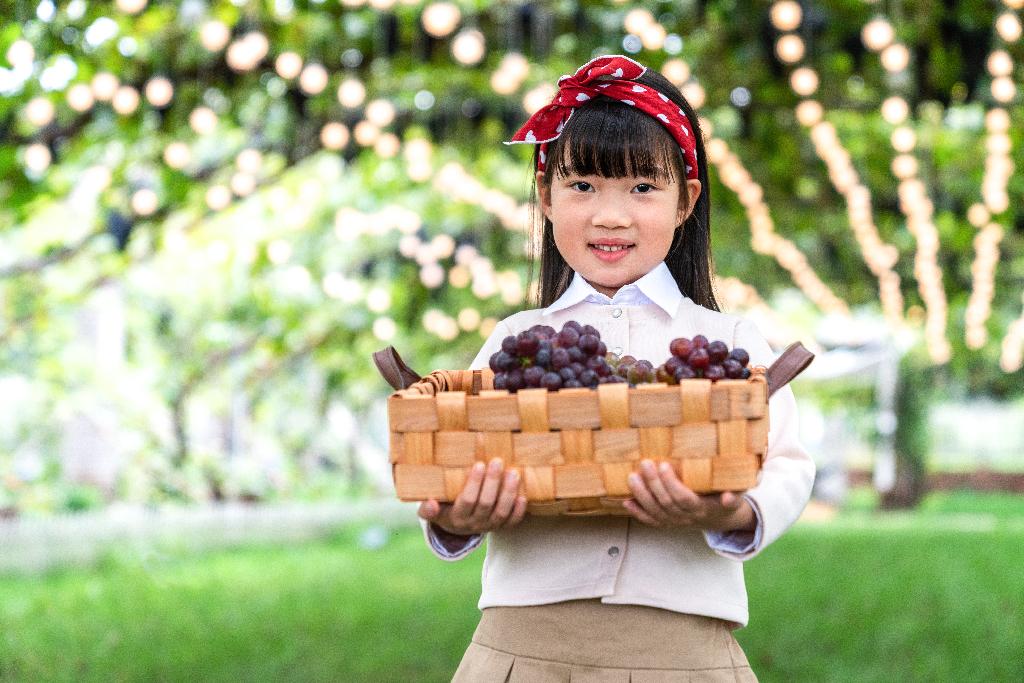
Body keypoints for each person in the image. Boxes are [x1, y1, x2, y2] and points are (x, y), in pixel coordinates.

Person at [416, 54, 815, 682]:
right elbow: (459, 453)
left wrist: (731, 512)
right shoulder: (517, 340)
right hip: (520, 651)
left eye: (642, 187)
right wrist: (455, 519)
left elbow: (787, 462)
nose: (610, 215)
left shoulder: (726, 341)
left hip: (681, 657)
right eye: (583, 186)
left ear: (686, 201)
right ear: (545, 197)